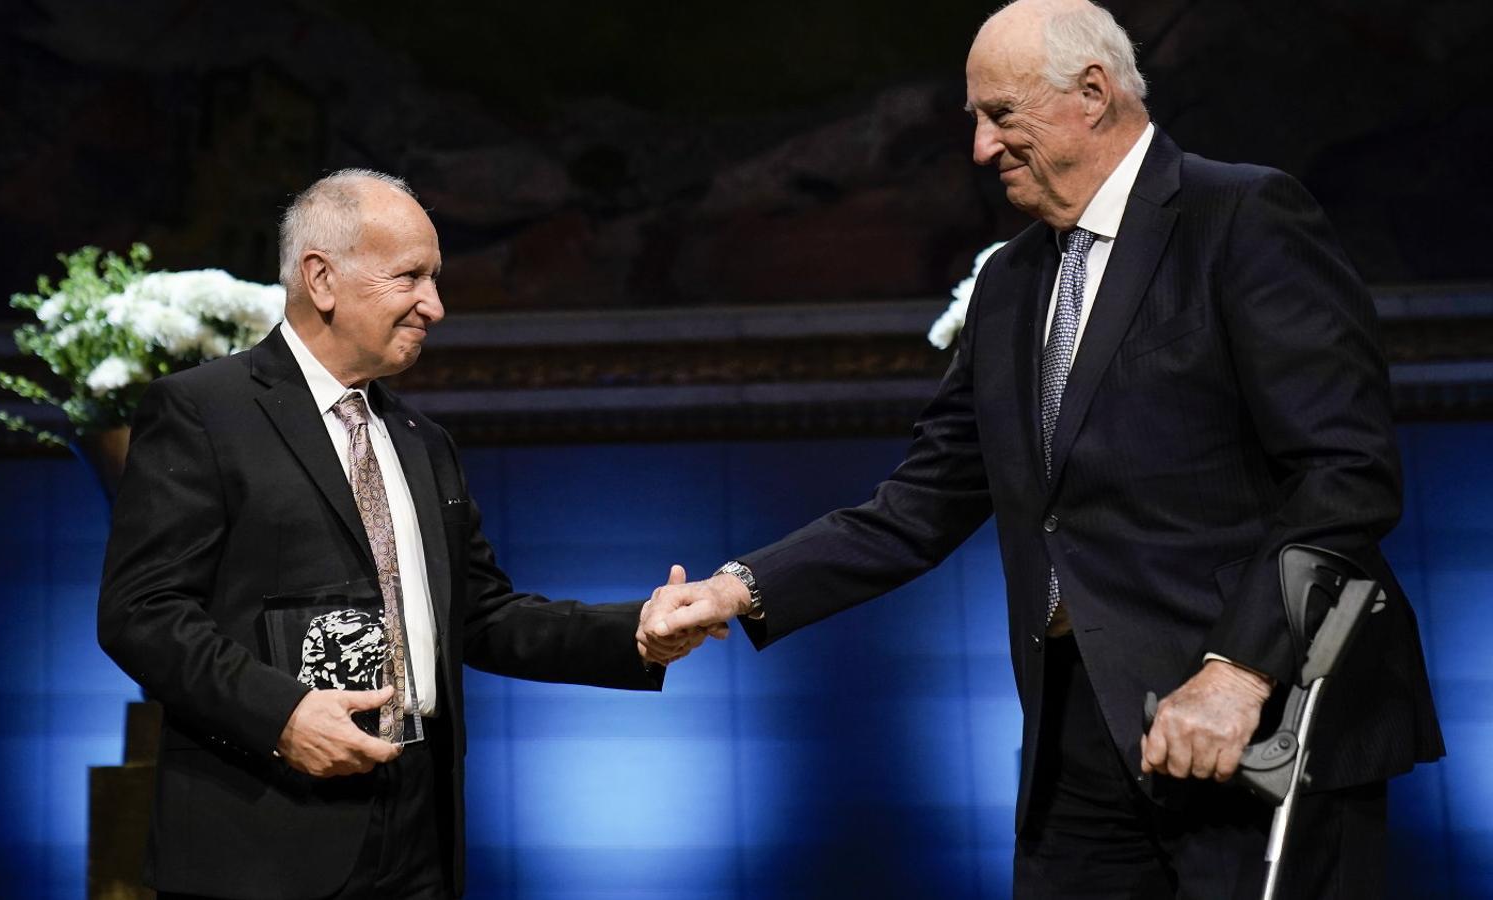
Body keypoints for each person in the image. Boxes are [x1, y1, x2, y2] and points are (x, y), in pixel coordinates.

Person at [640, 1, 1443, 897]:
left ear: (1092, 93)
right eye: (976, 121)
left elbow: (1346, 473)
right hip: (1078, 737)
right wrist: (739, 587)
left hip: (1257, 727)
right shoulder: (1011, 281)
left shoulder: (1242, 216)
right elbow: (924, 501)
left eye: (1001, 114)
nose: (982, 148)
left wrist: (1239, 670)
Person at [98, 169, 703, 900]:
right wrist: (282, 715)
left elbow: (480, 616)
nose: (436, 306)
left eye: (436, 279)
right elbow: (143, 614)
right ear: (321, 278)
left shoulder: (421, 440)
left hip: (418, 830)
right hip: (263, 835)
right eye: (411, 277)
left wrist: (633, 631)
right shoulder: (203, 411)